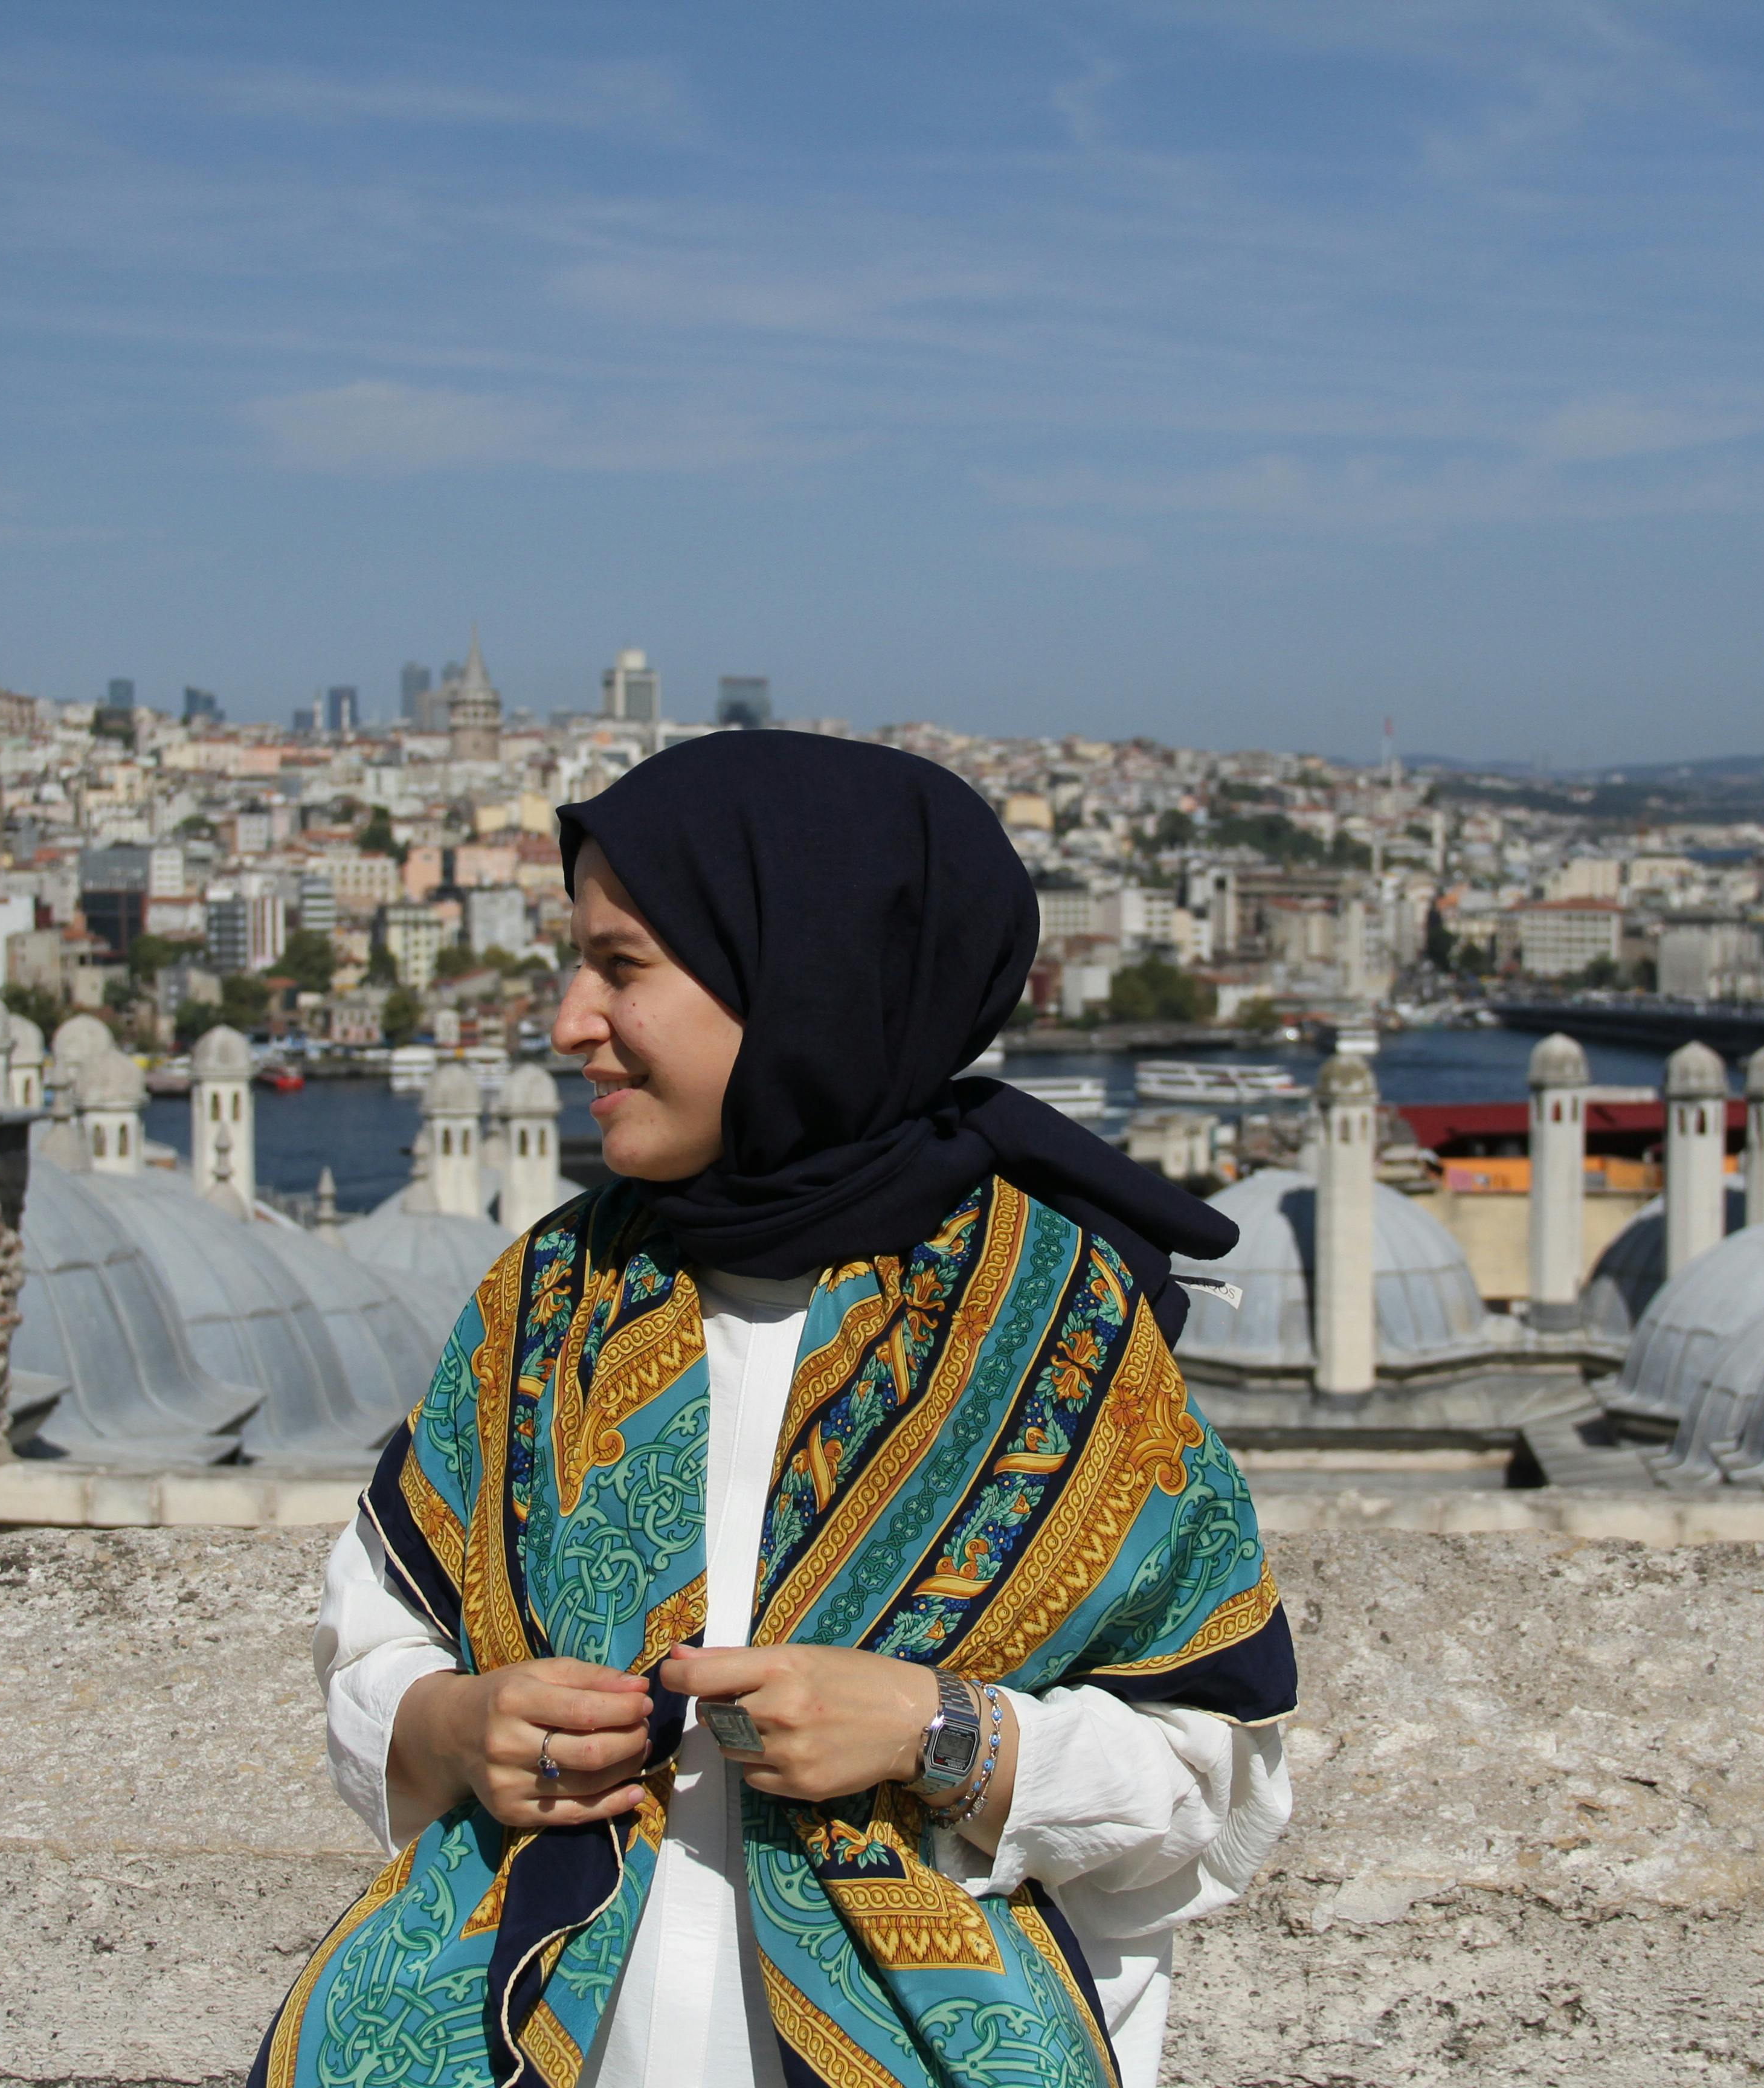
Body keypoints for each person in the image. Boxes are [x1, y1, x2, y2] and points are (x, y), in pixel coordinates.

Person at [257, 733, 1293, 2088]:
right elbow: (376, 1639)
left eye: (621, 968)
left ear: (800, 984)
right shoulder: (551, 1301)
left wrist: (943, 1736)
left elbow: (1211, 1783)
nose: (570, 1021)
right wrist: (455, 1729)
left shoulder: (1062, 1334)